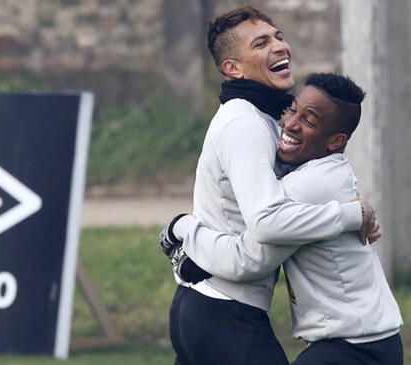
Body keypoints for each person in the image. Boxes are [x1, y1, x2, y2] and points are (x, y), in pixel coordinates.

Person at [158, 7, 380, 365]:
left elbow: (303, 191)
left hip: (206, 308)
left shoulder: (262, 118)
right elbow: (265, 229)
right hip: (223, 312)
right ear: (233, 68)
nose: (279, 46)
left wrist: (355, 209)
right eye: (260, 43)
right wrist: (351, 215)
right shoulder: (243, 124)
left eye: (278, 36)